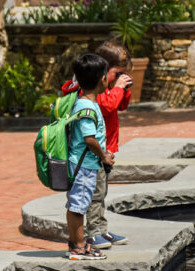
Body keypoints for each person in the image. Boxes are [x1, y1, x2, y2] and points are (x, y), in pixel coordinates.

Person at [62, 40, 133, 249]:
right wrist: (117, 88)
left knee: (101, 192)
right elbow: (109, 106)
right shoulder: (90, 94)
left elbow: (121, 106)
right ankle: (93, 233)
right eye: (116, 73)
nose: (118, 78)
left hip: (105, 149)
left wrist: (123, 89)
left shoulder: (105, 88)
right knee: (94, 193)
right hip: (93, 155)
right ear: (103, 72)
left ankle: (101, 229)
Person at [66, 53, 115, 260]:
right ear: (101, 79)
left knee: (79, 204)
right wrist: (103, 155)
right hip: (83, 166)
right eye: (106, 76)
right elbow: (89, 139)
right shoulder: (86, 106)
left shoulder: (87, 103)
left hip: (84, 164)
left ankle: (78, 243)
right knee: (78, 206)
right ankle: (78, 247)